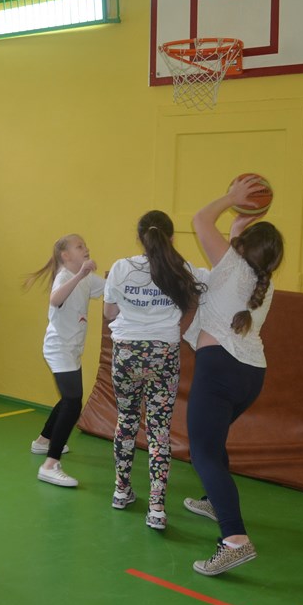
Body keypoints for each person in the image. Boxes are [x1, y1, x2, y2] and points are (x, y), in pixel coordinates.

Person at [181, 176, 284, 576]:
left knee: (203, 453)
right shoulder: (263, 282)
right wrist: (240, 226)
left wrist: (231, 198)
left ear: (241, 249)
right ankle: (214, 501)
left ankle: (235, 540)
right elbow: (236, 255)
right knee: (214, 441)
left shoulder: (231, 267)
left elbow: (200, 219)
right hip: (251, 375)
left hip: (219, 369)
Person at [102, 211, 206, 529]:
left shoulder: (121, 268)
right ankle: (157, 508)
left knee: (127, 420)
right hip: (163, 353)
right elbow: (202, 294)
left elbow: (109, 313)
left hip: (127, 352)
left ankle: (121, 491)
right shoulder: (182, 269)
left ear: (140, 238)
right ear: (171, 238)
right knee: (159, 429)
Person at [23, 234, 105, 488]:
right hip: (58, 348)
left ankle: (43, 441)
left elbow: (111, 288)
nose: (86, 248)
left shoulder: (86, 278)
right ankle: (50, 465)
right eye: (80, 246)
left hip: (72, 349)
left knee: (68, 398)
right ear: (66, 255)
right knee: (72, 401)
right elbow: (55, 299)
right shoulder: (65, 276)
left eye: (85, 244)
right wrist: (80, 274)